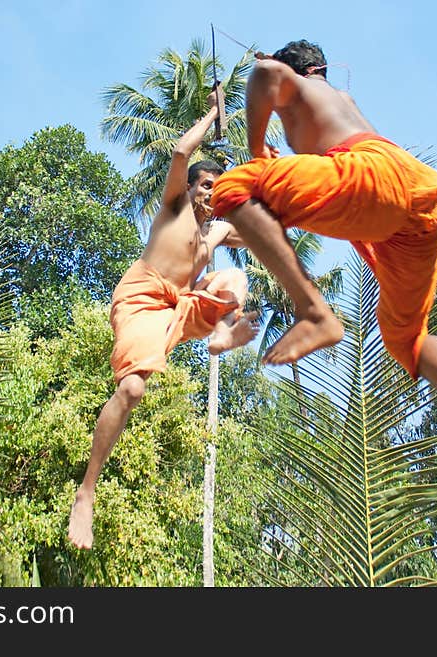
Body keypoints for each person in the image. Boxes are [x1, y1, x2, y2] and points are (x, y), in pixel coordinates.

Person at [209, 40, 437, 496]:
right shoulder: (340, 102)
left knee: (230, 188)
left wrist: (254, 148)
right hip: (418, 200)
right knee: (407, 340)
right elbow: (285, 202)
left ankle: (315, 313)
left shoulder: (297, 87)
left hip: (372, 179)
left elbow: (264, 74)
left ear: (302, 72)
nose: (281, 123)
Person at [68, 88, 258, 549]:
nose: (210, 193)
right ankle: (86, 493)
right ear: (190, 188)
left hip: (181, 303)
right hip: (141, 298)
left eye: (217, 188)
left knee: (233, 277)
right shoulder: (173, 209)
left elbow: (263, 229)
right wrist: (214, 111)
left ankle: (222, 333)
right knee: (132, 388)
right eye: (205, 185)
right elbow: (180, 150)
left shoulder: (217, 232)